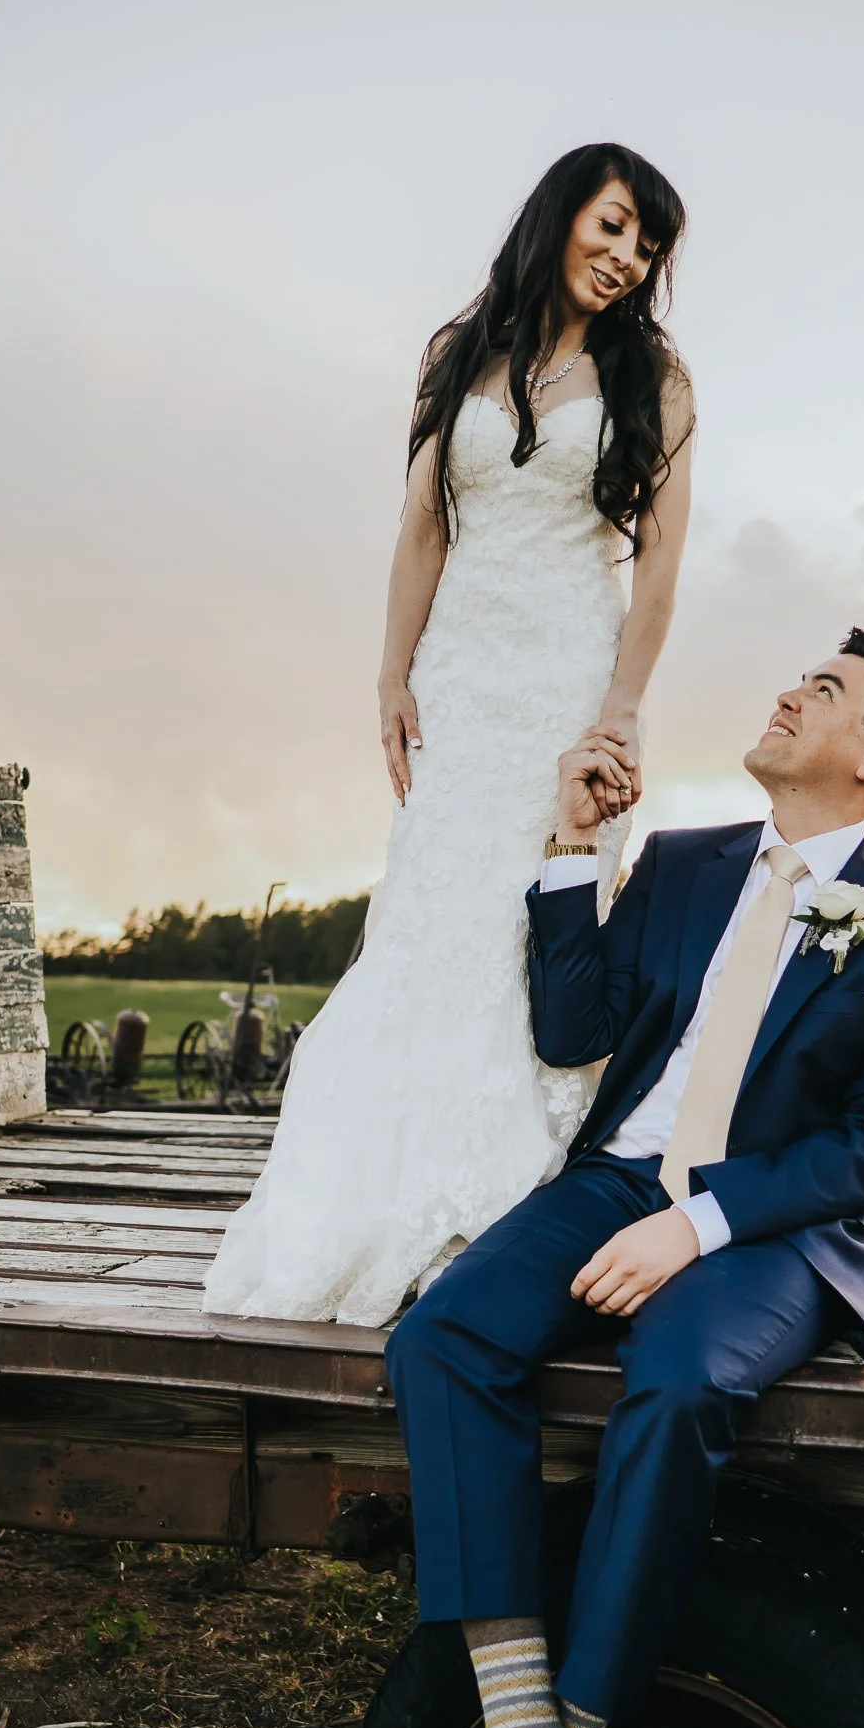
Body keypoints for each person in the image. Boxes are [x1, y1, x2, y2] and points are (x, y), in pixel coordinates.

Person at [385, 628, 864, 1728]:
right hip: (611, 1181)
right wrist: (567, 846)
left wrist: (698, 1224)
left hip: (776, 1222)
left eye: (821, 692)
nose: (786, 692)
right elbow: (567, 1026)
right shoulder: (681, 862)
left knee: (673, 1381)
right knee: (441, 1341)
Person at [203, 143, 695, 1327]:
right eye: (615, 225)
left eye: (647, 246)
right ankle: (380, 1197)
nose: (627, 259)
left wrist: (620, 706)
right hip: (461, 681)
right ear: (562, 213)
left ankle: (508, 1213)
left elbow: (662, 559)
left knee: (529, 921)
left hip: (567, 682)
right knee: (430, 917)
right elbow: (422, 526)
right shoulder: (457, 350)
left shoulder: (658, 379)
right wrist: (390, 672)